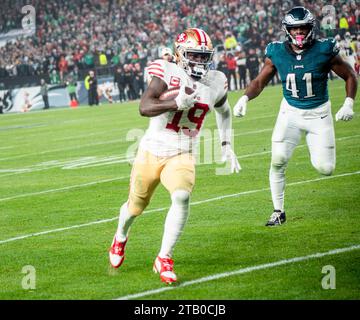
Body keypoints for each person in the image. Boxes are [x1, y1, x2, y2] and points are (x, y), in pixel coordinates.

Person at [109, 28, 240, 284]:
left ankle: (164, 257)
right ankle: (120, 237)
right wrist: (175, 103)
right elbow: (144, 107)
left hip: (182, 152)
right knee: (135, 207)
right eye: (194, 55)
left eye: (204, 57)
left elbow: (225, 112)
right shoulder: (167, 71)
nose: (200, 62)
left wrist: (226, 143)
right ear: (180, 54)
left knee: (181, 196)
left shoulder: (216, 81)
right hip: (151, 151)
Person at [233, 7, 357, 226]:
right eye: (295, 28)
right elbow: (259, 81)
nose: (299, 32)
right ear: (287, 30)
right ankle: (278, 211)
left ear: (311, 28)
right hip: (289, 112)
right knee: (278, 160)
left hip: (319, 114)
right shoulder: (277, 51)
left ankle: (313, 144)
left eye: (303, 27)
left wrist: (349, 102)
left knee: (325, 168)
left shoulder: (324, 49)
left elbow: (350, 75)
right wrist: (244, 98)